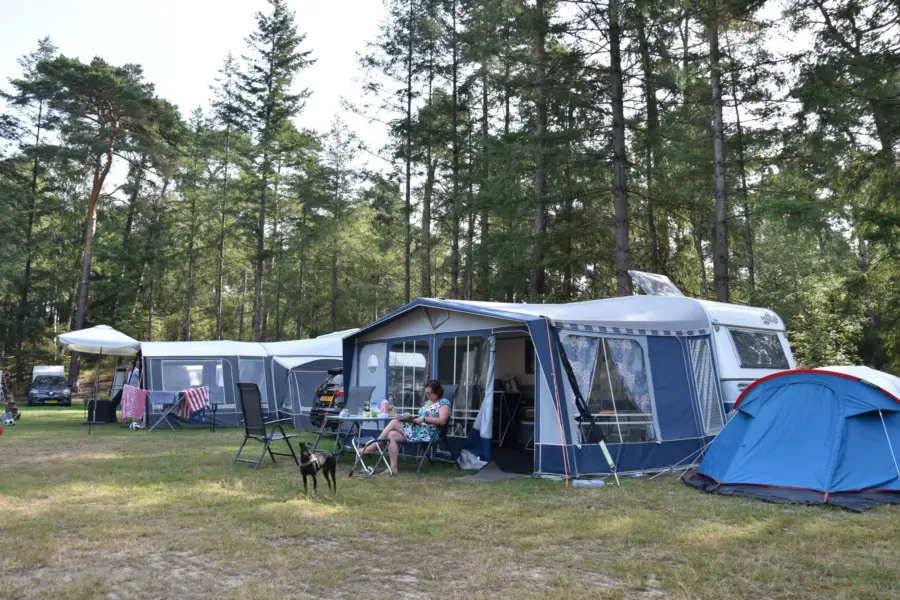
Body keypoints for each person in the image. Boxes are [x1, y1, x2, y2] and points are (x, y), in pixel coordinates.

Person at [362, 380, 450, 475]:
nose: (427, 395)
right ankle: (393, 468)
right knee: (391, 434)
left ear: (437, 392)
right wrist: (411, 419)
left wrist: (424, 419)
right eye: (426, 393)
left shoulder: (443, 402)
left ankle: (373, 447)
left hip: (429, 433)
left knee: (394, 422)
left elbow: (442, 420)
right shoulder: (428, 402)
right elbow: (421, 417)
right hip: (418, 429)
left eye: (429, 393)